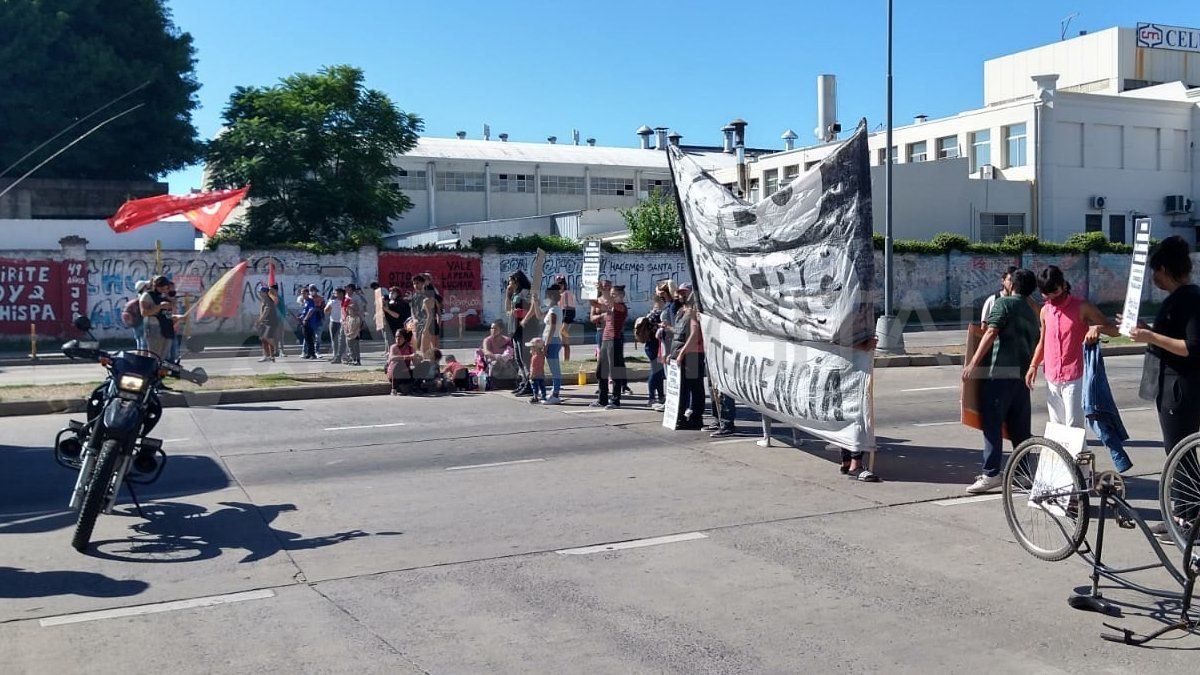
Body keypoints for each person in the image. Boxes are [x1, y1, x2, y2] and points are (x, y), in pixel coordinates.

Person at [1127, 236, 1200, 531]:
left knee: (1179, 454)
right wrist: (1148, 332)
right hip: (1172, 385)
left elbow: (1191, 347)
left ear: (1164, 270)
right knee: (1180, 453)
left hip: (1180, 388)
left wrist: (1150, 337)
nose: (1152, 278)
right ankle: (1186, 515)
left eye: (1154, 271)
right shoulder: (1179, 299)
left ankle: (1188, 520)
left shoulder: (1191, 299)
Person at [961, 268, 1040, 493]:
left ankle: (991, 473)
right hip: (1022, 376)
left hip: (1000, 375)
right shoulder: (1032, 310)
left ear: (1011, 285)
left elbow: (990, 332)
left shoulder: (1004, 304)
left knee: (992, 425)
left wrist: (973, 364)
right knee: (1020, 429)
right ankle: (1023, 473)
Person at [1025, 265, 1119, 427]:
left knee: (1073, 425)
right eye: (1046, 295)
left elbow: (1113, 331)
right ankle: (1059, 453)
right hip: (1052, 375)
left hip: (1075, 376)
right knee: (1056, 426)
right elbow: (1043, 340)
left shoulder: (1082, 307)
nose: (1052, 298)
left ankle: (1077, 453)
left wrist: (1097, 328)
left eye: (1055, 292)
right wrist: (1033, 365)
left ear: (1063, 285)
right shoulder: (1045, 311)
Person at [670, 284, 706, 429]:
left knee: (694, 388)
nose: (682, 295)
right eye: (680, 293)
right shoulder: (681, 311)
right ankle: (680, 416)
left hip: (693, 355)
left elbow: (694, 334)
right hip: (681, 354)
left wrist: (682, 353)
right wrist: (671, 354)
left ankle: (696, 418)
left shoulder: (694, 311)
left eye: (686, 293)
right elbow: (678, 335)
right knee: (682, 388)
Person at [590, 284, 628, 409]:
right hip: (605, 340)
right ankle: (602, 399)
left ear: (621, 296)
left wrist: (603, 290)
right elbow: (595, 304)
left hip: (614, 340)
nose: (611, 296)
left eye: (613, 294)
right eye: (610, 294)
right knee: (601, 371)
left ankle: (615, 400)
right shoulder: (609, 307)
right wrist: (589, 291)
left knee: (615, 371)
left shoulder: (621, 307)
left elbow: (609, 301)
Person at [139, 275, 175, 359]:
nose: (164, 291)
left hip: (167, 327)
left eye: (166, 289)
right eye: (161, 289)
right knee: (155, 355)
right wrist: (159, 306)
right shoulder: (147, 296)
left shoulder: (166, 296)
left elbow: (170, 311)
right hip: (154, 328)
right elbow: (144, 312)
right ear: (156, 287)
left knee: (165, 356)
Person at [541, 287, 564, 404]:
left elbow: (552, 328)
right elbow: (540, 315)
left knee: (555, 370)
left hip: (552, 341)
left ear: (551, 297)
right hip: (553, 340)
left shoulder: (554, 311)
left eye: (546, 296)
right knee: (554, 369)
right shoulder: (553, 309)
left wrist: (546, 344)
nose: (545, 299)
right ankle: (555, 391)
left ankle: (556, 395)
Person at [382, 285, 411, 354]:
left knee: (396, 345)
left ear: (397, 293)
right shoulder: (392, 302)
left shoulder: (400, 302)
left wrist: (386, 310)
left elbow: (396, 315)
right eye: (390, 292)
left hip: (398, 327)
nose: (390, 294)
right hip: (392, 327)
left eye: (393, 292)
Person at [387, 329, 417, 395]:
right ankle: (393, 389)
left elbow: (415, 363)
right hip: (394, 374)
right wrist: (407, 357)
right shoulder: (393, 347)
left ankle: (416, 387)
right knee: (399, 363)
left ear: (405, 338)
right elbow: (392, 357)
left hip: (405, 373)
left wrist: (417, 358)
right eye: (396, 337)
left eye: (400, 337)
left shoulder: (410, 348)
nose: (397, 339)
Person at [554, 274, 576, 361]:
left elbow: (568, 307)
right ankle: (566, 359)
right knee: (562, 337)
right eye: (558, 284)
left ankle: (567, 357)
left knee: (563, 333)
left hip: (567, 315)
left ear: (564, 284)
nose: (559, 285)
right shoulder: (558, 294)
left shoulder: (566, 293)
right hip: (561, 315)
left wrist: (565, 319)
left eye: (561, 283)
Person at [255, 286, 279, 362]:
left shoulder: (268, 300)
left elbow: (266, 311)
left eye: (261, 292)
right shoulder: (264, 300)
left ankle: (275, 350)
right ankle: (266, 356)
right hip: (265, 322)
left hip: (270, 322)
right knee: (263, 339)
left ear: (265, 293)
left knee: (268, 338)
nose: (259, 293)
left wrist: (259, 321)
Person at [342, 287, 364, 365]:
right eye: (348, 309)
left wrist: (352, 333)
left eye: (351, 309)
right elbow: (346, 326)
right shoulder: (348, 318)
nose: (349, 310)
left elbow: (357, 327)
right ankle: (352, 359)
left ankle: (357, 360)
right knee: (350, 347)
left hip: (354, 335)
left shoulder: (357, 318)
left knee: (355, 347)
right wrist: (347, 332)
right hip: (348, 335)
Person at [124, 280, 149, 350]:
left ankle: (139, 355)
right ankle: (143, 357)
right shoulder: (145, 296)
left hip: (136, 322)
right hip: (143, 321)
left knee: (139, 341)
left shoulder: (138, 295)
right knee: (144, 342)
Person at [325, 288, 348, 364]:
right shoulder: (332, 301)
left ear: (341, 293)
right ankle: (335, 356)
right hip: (334, 322)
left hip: (343, 322)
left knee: (343, 340)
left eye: (337, 293)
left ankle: (343, 356)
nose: (336, 295)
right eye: (335, 293)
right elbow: (326, 310)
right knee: (334, 340)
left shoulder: (345, 300)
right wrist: (330, 307)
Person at [527, 337, 548, 403]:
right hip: (541, 374)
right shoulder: (542, 355)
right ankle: (543, 396)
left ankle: (535, 397)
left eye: (531, 347)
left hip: (535, 375)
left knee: (535, 387)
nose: (530, 349)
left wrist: (531, 375)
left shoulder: (534, 357)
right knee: (542, 386)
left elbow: (533, 367)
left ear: (535, 348)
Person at [270, 284, 289, 357]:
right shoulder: (276, 297)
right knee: (275, 336)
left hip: (279, 319)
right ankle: (276, 351)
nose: (270, 291)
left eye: (271, 290)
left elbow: (273, 306)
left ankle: (282, 351)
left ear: (275, 290)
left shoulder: (277, 298)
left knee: (280, 336)